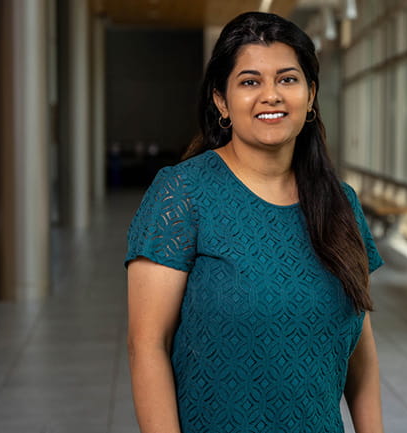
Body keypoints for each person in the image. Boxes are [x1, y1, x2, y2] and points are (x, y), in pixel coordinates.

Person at [125, 11, 384, 433]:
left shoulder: (341, 203)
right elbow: (146, 345)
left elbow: (362, 353)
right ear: (221, 100)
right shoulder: (182, 194)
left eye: (287, 79)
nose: (271, 95)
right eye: (250, 82)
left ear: (311, 94)